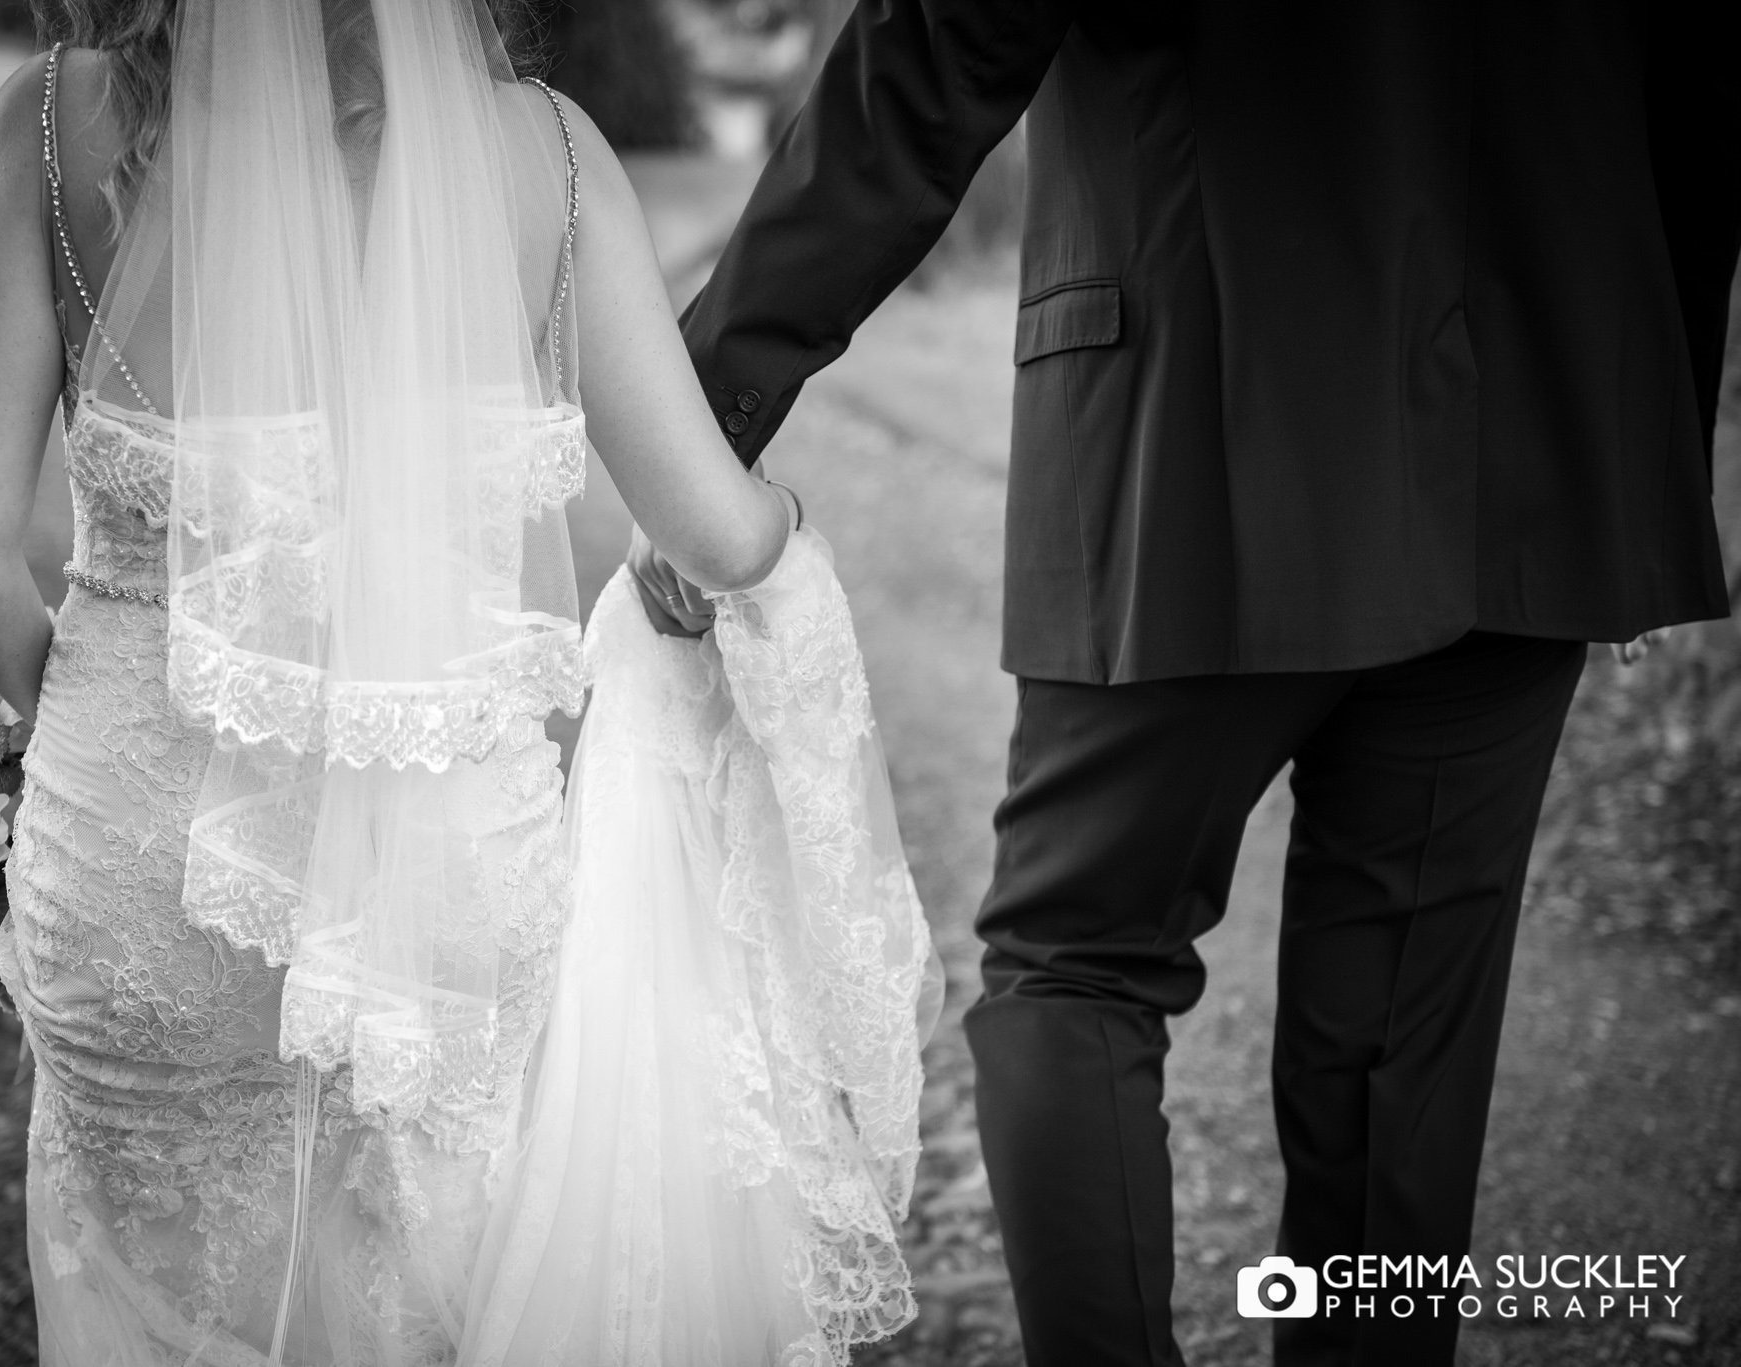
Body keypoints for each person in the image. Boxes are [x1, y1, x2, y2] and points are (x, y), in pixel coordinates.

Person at [631, 3, 1739, 1364]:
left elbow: (932, 52)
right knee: (1402, 1042)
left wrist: (707, 412)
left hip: (1198, 414)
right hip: (1532, 438)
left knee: (1076, 966)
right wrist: (1638, 468)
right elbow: (1698, 87)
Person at [0, 0, 933, 1361]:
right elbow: (720, 535)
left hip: (136, 864)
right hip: (437, 888)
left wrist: (82, 726)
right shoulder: (544, 156)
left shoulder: (50, 124)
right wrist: (779, 526)